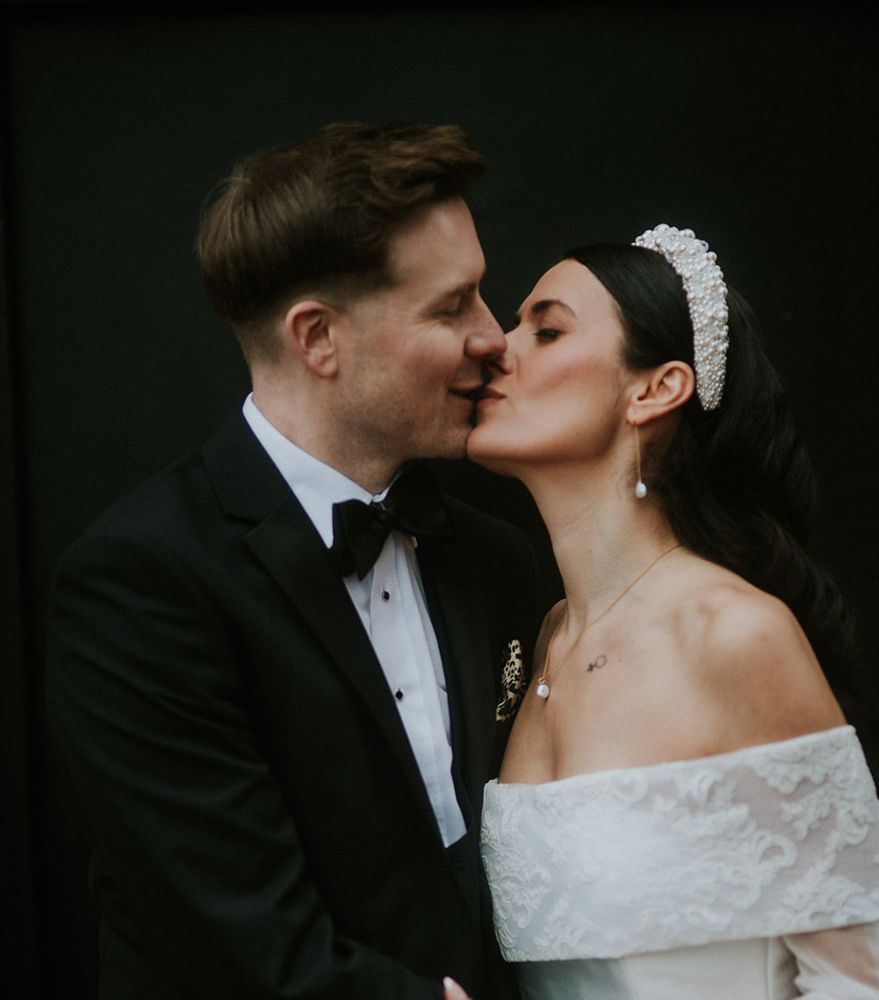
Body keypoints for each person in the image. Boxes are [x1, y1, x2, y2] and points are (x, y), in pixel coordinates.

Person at [46, 122, 546, 999]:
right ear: (317, 338)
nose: (495, 336)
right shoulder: (140, 582)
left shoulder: (495, 557)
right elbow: (238, 932)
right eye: (451, 306)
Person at [446, 224, 879, 999]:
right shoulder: (541, 644)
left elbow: (869, 982)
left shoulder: (733, 633)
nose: (498, 346)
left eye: (548, 329)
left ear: (655, 389)